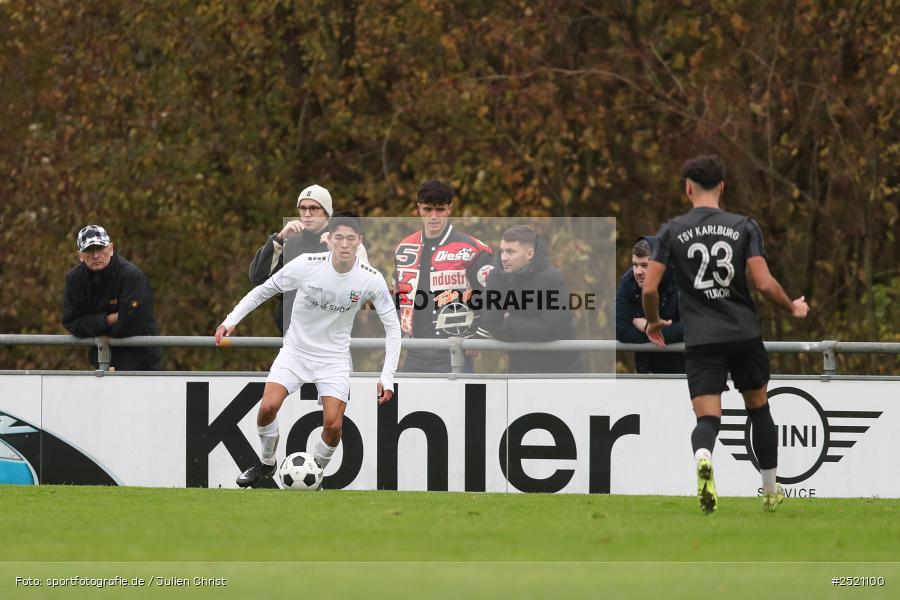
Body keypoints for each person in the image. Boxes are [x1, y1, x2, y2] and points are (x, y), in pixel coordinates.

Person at [642, 155, 809, 514]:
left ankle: (703, 455)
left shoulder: (671, 231)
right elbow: (763, 283)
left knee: (707, 419)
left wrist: (653, 322)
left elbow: (650, 288)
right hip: (743, 332)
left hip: (702, 337)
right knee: (759, 408)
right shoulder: (744, 226)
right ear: (722, 185)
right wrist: (791, 306)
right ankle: (770, 491)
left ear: (688, 187)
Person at [216, 212, 400, 488]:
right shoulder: (306, 265)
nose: (345, 244)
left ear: (360, 241)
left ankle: (314, 473)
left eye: (351, 239)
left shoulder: (370, 279)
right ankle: (267, 462)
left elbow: (393, 327)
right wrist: (231, 320)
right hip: (296, 352)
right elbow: (264, 290)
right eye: (339, 238)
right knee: (267, 408)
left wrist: (388, 376)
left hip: (334, 359)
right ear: (329, 239)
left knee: (333, 426)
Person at [393, 180, 493, 373]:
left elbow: (495, 293)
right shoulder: (404, 248)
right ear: (419, 209)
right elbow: (398, 295)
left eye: (440, 210)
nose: (433, 216)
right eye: (428, 209)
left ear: (449, 209)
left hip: (455, 350)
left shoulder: (473, 248)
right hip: (415, 351)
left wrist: (480, 334)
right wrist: (398, 331)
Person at [249, 184, 368, 335]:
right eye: (302, 208)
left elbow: (362, 289)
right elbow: (258, 277)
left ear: (327, 212)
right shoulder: (289, 241)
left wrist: (335, 253)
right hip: (293, 336)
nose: (307, 214)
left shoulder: (347, 240)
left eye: (313, 208)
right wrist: (279, 238)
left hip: (334, 336)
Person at [478, 225, 583, 373]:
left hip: (563, 369)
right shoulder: (497, 277)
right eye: (502, 251)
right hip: (520, 369)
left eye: (510, 252)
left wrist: (510, 322)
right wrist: (529, 330)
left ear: (530, 254)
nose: (504, 258)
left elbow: (553, 329)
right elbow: (491, 323)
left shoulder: (552, 278)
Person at [63, 225, 163, 371]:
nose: (96, 255)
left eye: (100, 248)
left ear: (110, 249)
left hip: (142, 361)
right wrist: (108, 319)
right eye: (89, 250)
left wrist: (93, 325)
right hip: (100, 360)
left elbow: (133, 320)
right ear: (80, 255)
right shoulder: (74, 279)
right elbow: (72, 322)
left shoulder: (132, 276)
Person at [615, 237, 685, 373]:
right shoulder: (628, 282)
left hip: (684, 370)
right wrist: (649, 328)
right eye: (635, 265)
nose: (638, 272)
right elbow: (621, 331)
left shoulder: (680, 280)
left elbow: (690, 327)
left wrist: (646, 326)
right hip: (647, 370)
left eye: (644, 265)